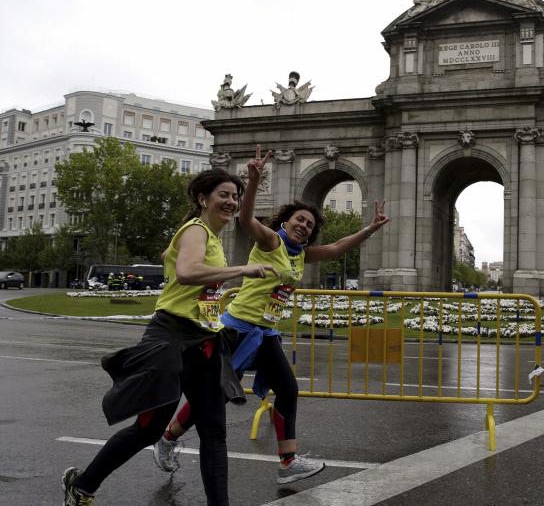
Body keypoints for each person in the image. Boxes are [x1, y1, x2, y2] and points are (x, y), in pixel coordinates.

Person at [152, 145, 390, 486]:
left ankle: (288, 461)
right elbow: (247, 219)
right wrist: (252, 181)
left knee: (288, 389)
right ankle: (167, 438)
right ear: (285, 222)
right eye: (299, 220)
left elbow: (338, 248)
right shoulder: (271, 243)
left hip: (264, 333)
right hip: (237, 329)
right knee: (213, 395)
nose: (304, 227)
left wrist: (371, 228)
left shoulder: (299, 255)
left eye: (309, 224)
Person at [62, 168, 277, 506]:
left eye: (235, 196)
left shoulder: (210, 237)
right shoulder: (195, 230)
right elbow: (187, 272)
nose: (231, 202)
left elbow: (182, 268)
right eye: (224, 194)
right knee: (148, 429)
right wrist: (241, 269)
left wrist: (217, 284)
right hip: (170, 340)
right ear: (203, 199)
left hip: (204, 341)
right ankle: (83, 486)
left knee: (214, 433)